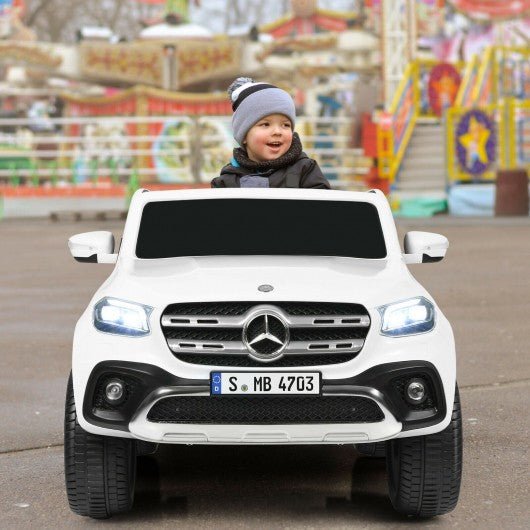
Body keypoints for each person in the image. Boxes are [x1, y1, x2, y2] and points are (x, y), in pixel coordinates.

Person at [211, 77, 330, 189]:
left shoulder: (305, 170)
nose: (277, 132)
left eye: (285, 125)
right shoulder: (229, 179)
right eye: (265, 124)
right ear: (244, 136)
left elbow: (323, 206)